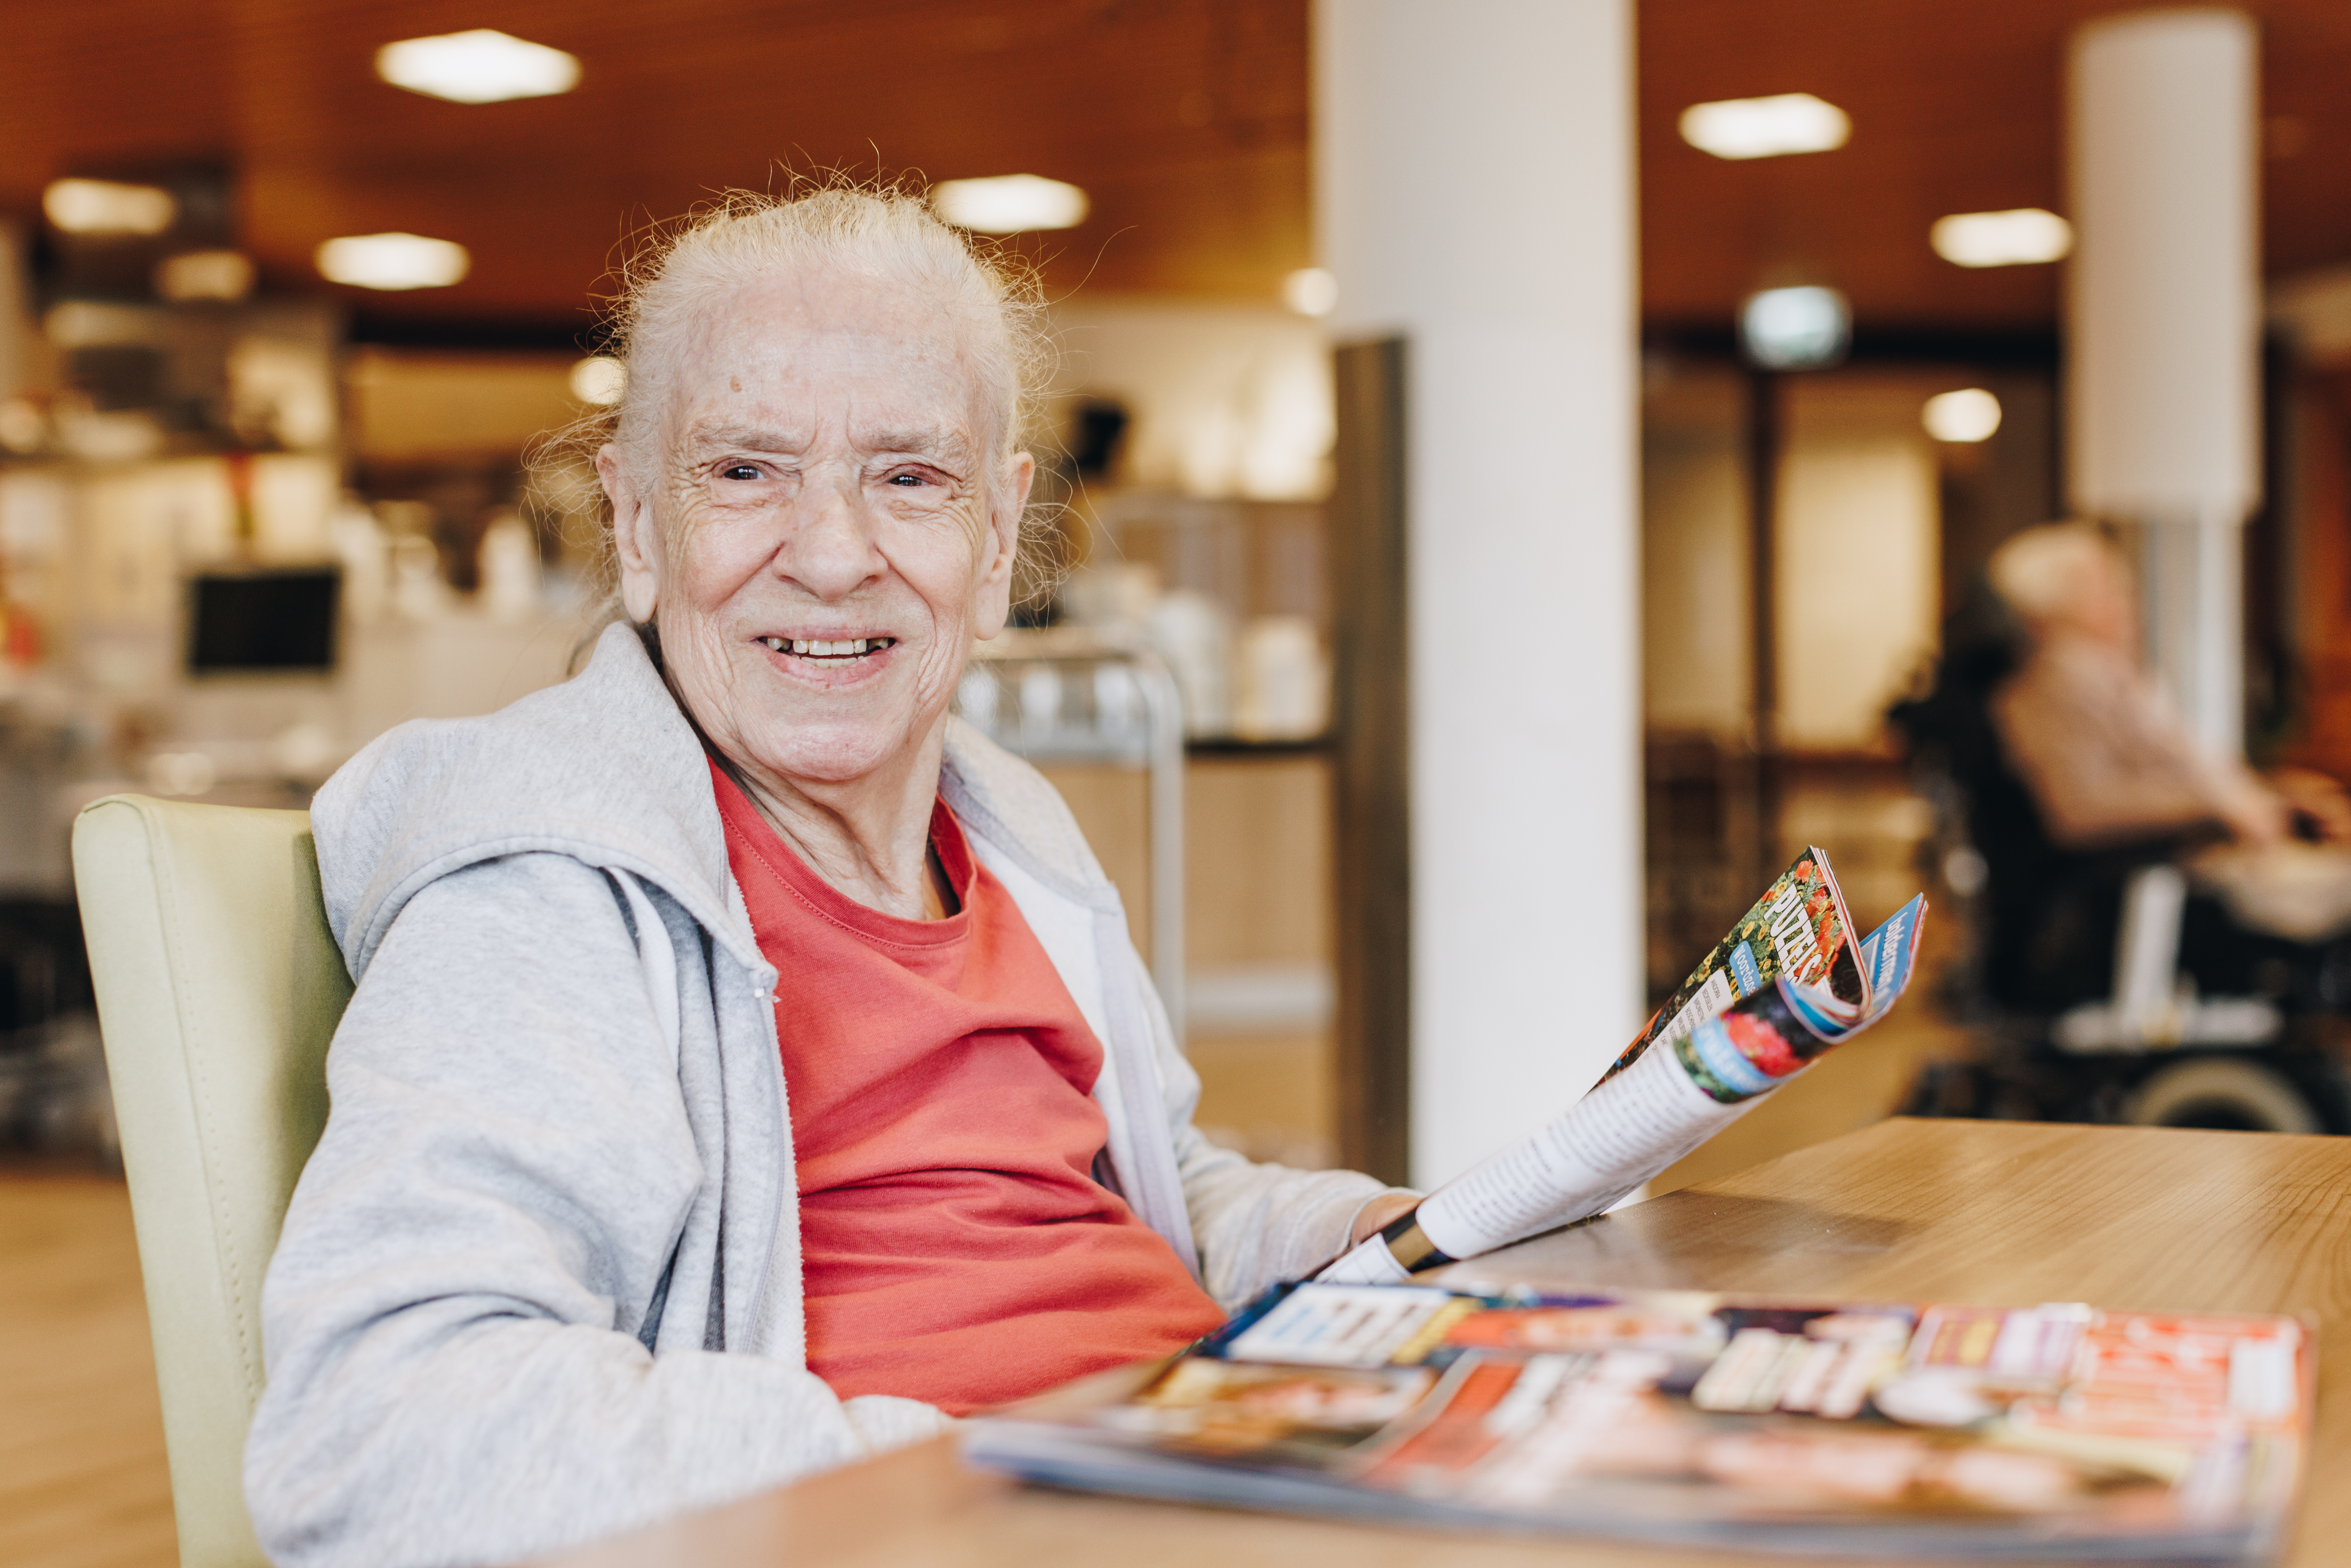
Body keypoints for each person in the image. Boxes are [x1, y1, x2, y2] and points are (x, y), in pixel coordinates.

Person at [243, 187, 1416, 1568]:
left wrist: (1376, 1235)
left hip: (1227, 1481)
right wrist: (1010, 1475)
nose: (835, 553)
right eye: (746, 470)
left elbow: (1146, 1204)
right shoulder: (547, 876)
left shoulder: (1014, 828)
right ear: (633, 525)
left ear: (996, 545)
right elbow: (382, 1431)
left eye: (910, 477)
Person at [1988, 523, 2351, 943]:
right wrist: (2219, 806)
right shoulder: (2052, 688)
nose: (2128, 597)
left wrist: (2274, 795)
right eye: (2106, 585)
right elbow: (2080, 809)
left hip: (2211, 856)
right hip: (2174, 873)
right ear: (2056, 606)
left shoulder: (2106, 678)